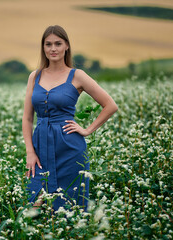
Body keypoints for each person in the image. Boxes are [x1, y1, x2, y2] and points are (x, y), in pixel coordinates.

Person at [22, 25, 118, 212]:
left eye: (58, 43)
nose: (53, 49)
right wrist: (30, 151)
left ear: (66, 46)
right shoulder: (35, 76)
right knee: (34, 206)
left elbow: (110, 105)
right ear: (43, 48)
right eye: (48, 44)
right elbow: (27, 119)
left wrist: (87, 130)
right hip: (40, 147)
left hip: (70, 148)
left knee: (71, 206)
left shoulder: (78, 76)